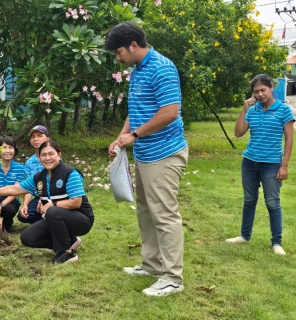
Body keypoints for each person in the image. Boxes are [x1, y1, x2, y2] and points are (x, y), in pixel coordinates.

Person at [105, 22, 188, 297]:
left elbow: (169, 112)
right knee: (145, 211)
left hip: (163, 153)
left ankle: (173, 278)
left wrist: (136, 135)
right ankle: (152, 265)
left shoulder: (162, 67)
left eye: (118, 52)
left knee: (164, 214)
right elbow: (137, 108)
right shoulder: (138, 70)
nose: (118, 58)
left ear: (133, 45)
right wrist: (122, 136)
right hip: (145, 153)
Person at [0, 141, 94, 264]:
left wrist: (53, 204)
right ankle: (70, 241)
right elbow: (14, 189)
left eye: (51, 154)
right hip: (57, 217)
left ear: (59, 155)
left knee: (52, 210)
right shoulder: (39, 177)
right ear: (39, 158)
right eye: (44, 155)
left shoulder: (70, 173)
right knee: (28, 238)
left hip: (81, 220)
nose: (48, 158)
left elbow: (76, 202)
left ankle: (67, 253)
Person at [225, 74, 295, 255]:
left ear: (271, 88)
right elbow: (239, 133)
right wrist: (243, 110)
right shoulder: (252, 110)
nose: (260, 94)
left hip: (271, 164)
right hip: (249, 162)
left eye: (263, 90)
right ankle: (244, 236)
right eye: (256, 92)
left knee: (272, 203)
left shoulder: (283, 111)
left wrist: (284, 165)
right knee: (249, 200)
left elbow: (289, 140)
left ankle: (276, 242)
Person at [0, 136, 26, 233]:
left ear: (15, 150)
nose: (7, 151)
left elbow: (16, 191)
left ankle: (7, 223)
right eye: (4, 147)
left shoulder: (20, 168)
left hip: (11, 200)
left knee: (10, 209)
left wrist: (0, 207)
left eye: (10, 147)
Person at [18, 125, 50, 225]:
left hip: (55, 196)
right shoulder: (29, 162)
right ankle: (44, 221)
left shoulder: (52, 157)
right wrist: (25, 205)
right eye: (33, 136)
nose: (36, 139)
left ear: (47, 138)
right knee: (24, 216)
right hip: (38, 197)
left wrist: (46, 200)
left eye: (40, 135)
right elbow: (28, 188)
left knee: (52, 211)